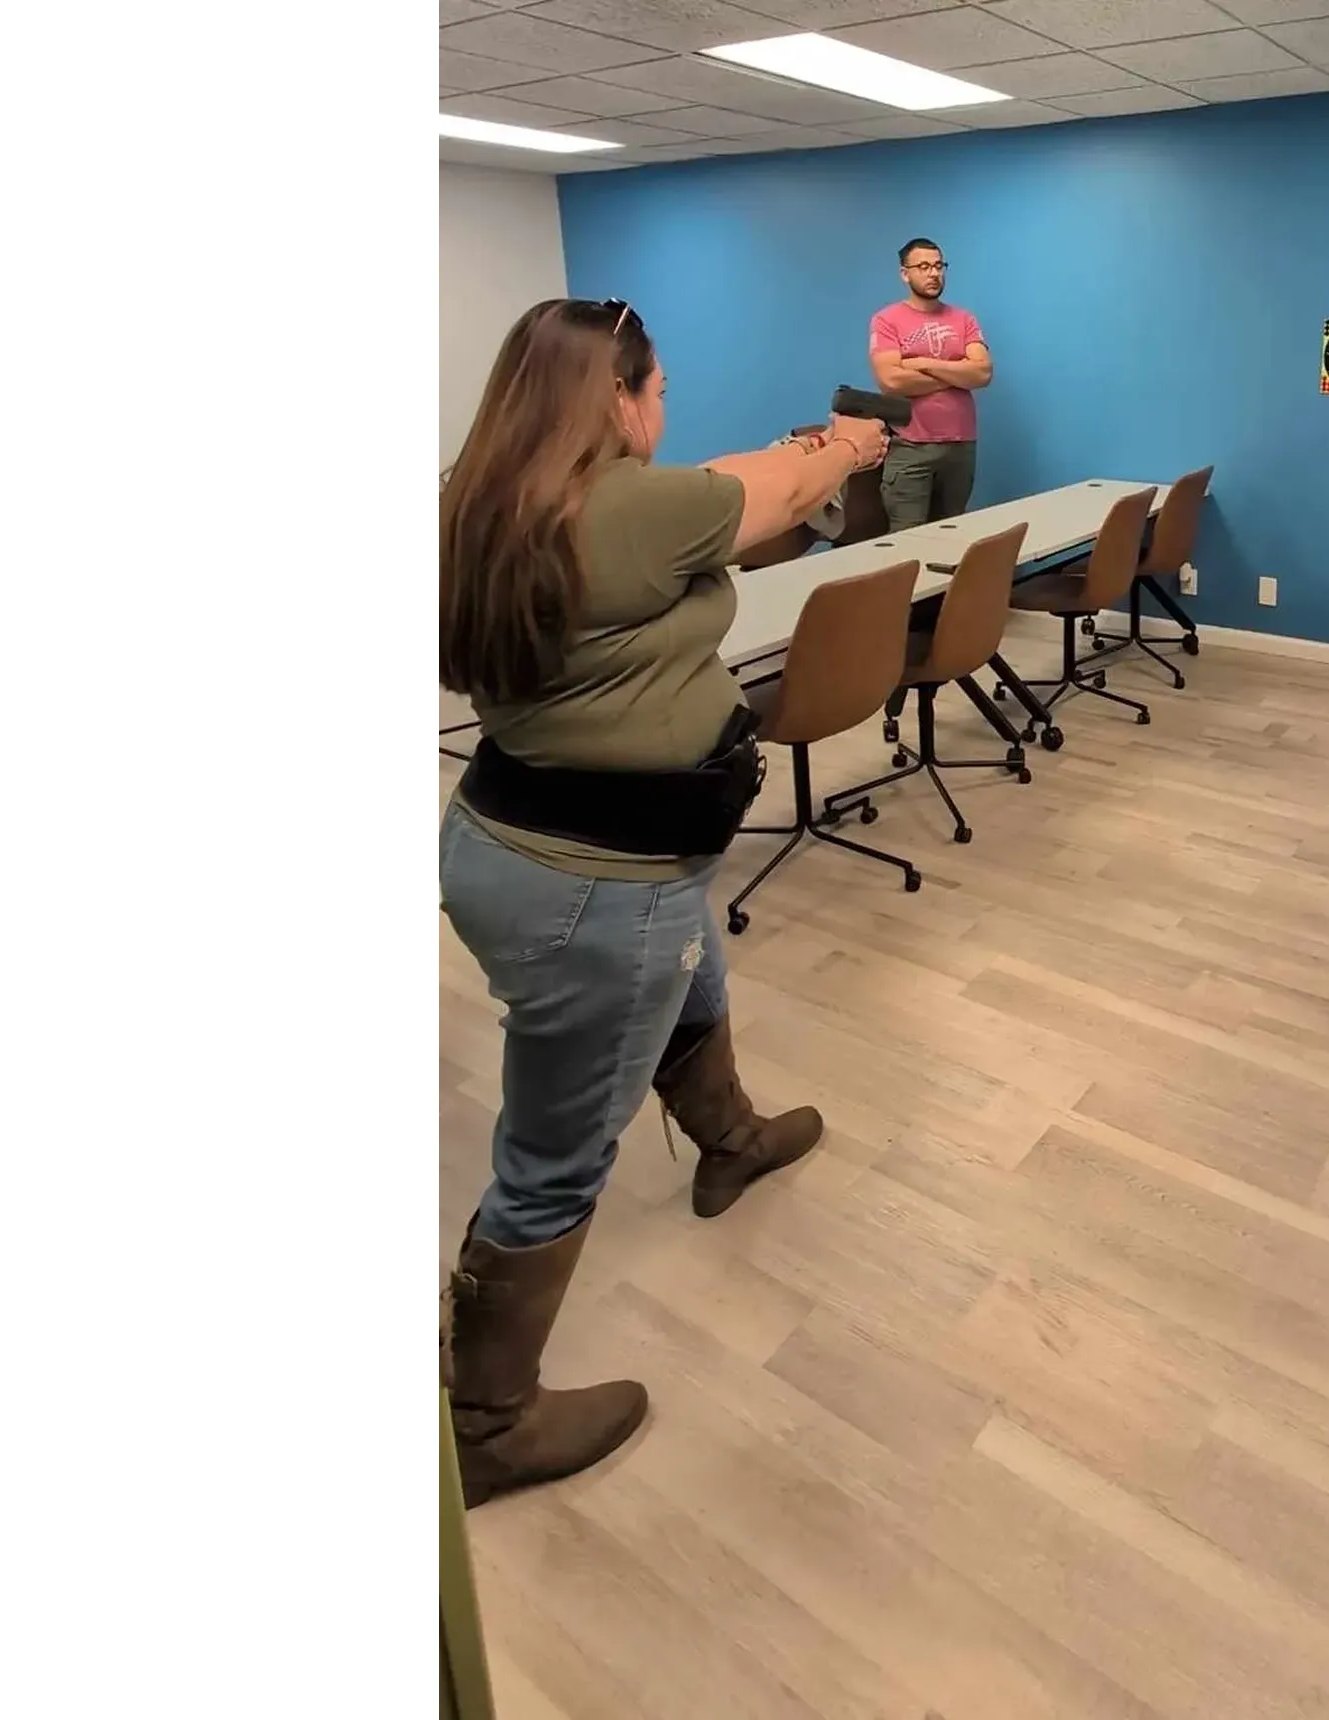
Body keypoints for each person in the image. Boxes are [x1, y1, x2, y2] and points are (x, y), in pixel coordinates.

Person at [437, 297, 889, 1508]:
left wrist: (794, 462)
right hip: (597, 882)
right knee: (555, 1151)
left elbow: (718, 499)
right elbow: (761, 497)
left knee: (695, 973)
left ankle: (728, 1138)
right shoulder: (631, 507)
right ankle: (483, 1422)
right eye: (661, 388)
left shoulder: (471, 496)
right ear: (619, 397)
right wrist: (846, 446)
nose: (666, 408)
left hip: (514, 835)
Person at [869, 238, 992, 531]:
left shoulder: (964, 319)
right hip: (911, 446)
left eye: (939, 265)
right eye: (923, 266)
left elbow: (983, 374)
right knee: (906, 540)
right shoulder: (886, 320)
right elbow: (891, 381)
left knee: (952, 534)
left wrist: (922, 363)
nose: (934, 273)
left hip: (961, 446)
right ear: (904, 273)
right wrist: (957, 373)